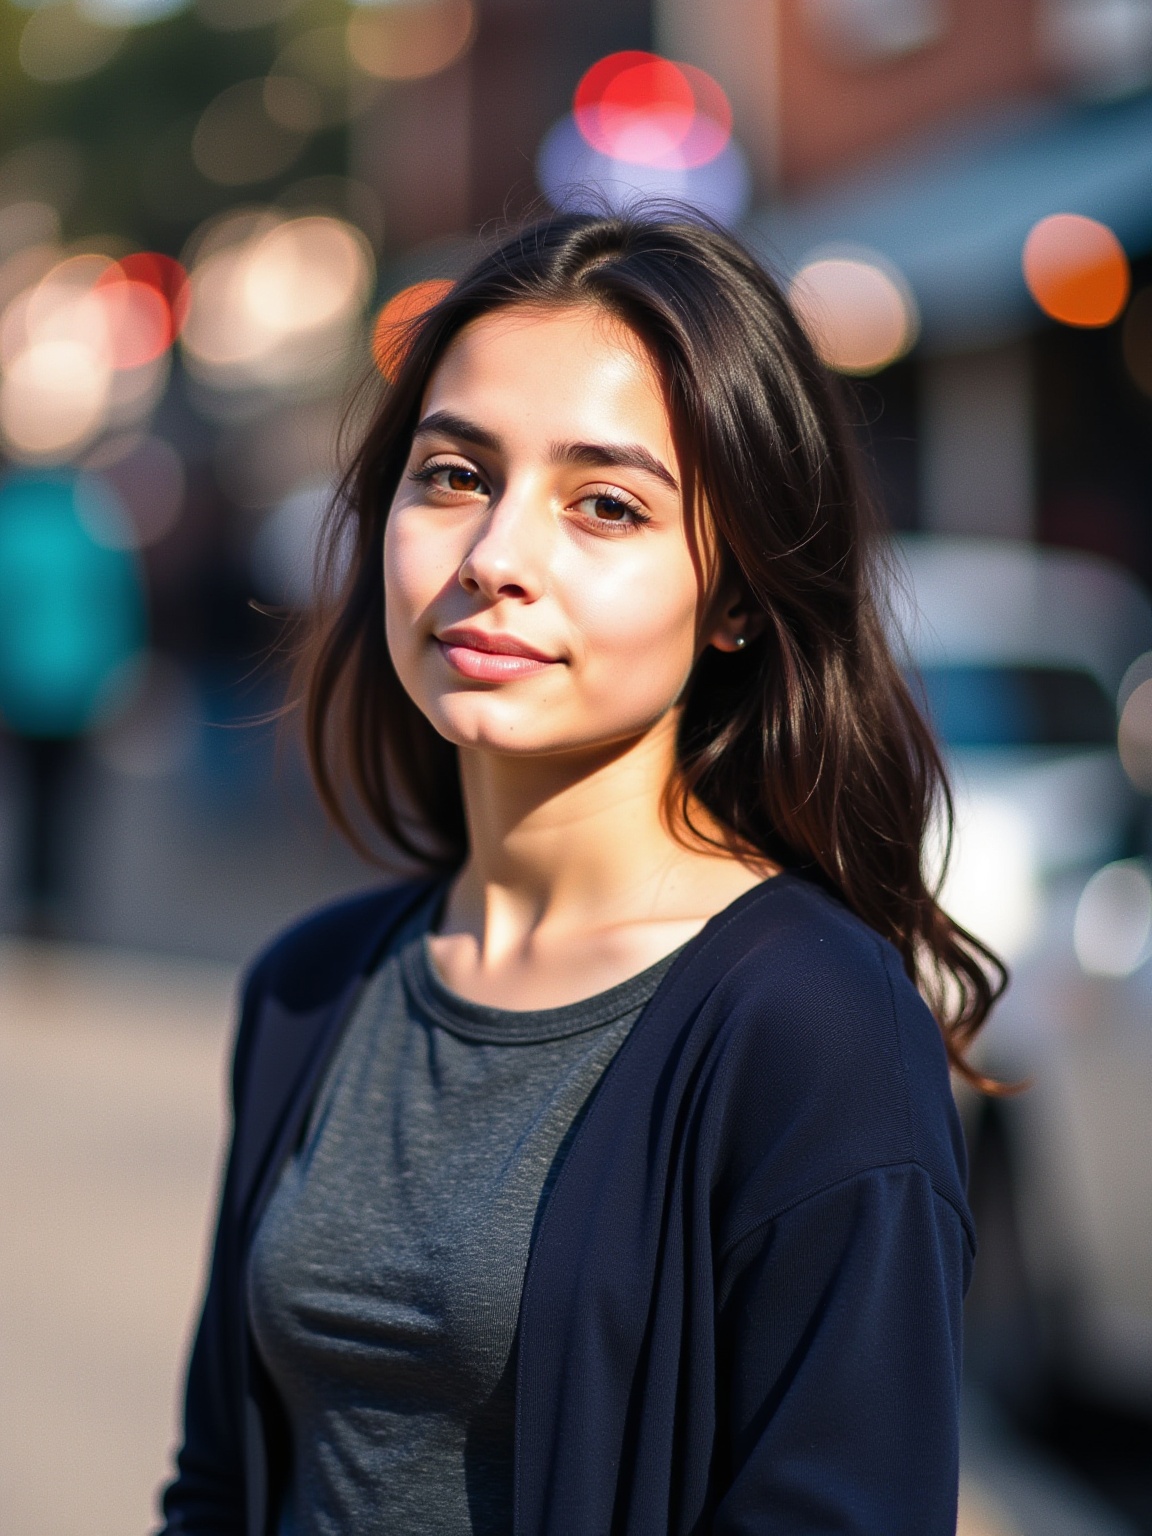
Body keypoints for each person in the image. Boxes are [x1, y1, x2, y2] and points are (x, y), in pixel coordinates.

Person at [160, 211, 1003, 1536]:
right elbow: (220, 1486)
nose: (496, 558)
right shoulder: (310, 991)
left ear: (737, 596)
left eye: (606, 505)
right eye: (453, 476)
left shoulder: (814, 1031)